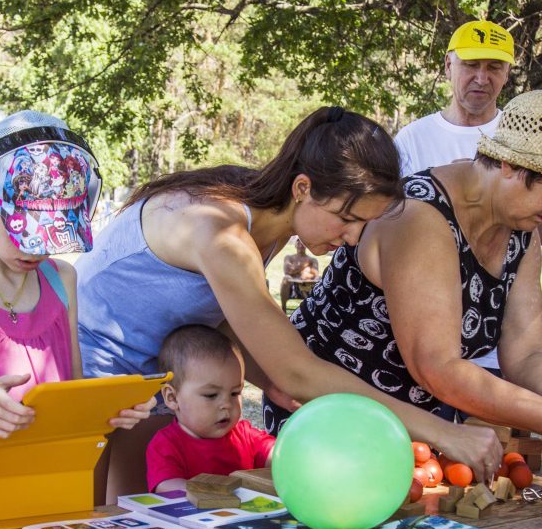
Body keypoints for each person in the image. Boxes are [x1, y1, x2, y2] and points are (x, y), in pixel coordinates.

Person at [77, 106, 503, 505]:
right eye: (347, 218)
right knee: (102, 519)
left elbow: (226, 318)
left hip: (153, 371)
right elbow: (297, 370)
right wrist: (445, 433)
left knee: (143, 520)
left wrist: (272, 383)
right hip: (89, 368)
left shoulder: (265, 218)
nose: (352, 238)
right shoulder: (221, 232)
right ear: (303, 188)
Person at [264, 91, 542, 482]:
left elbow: (528, 352)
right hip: (327, 413)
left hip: (411, 426)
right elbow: (436, 367)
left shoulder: (522, 230)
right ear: (510, 166)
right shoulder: (419, 216)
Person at [0, 110, 150, 528]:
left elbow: (68, 400)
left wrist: (107, 410)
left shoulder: (62, 280)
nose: (36, 251)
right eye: (24, 232)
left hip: (41, 504)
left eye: (50, 236)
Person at [395, 20, 542, 388]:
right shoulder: (411, 139)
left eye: (494, 67)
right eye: (471, 65)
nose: (481, 78)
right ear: (447, 67)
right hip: (417, 338)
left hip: (495, 342)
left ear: (507, 74)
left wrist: (534, 198)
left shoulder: (525, 138)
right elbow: (384, 227)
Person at [147, 325, 274, 492]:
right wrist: (212, 493)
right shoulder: (166, 445)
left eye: (235, 393)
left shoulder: (245, 435)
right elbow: (168, 487)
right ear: (172, 397)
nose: (226, 404)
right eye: (211, 395)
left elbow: (277, 454)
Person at [280, 237, 320, 312]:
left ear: (306, 245)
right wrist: (305, 266)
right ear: (295, 245)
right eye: (298, 242)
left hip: (307, 286)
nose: (301, 244)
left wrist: (303, 274)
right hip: (292, 287)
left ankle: (312, 309)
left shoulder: (312, 260)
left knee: (319, 279)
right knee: (286, 278)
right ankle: (283, 309)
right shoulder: (289, 258)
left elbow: (316, 274)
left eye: (303, 242)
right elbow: (287, 271)